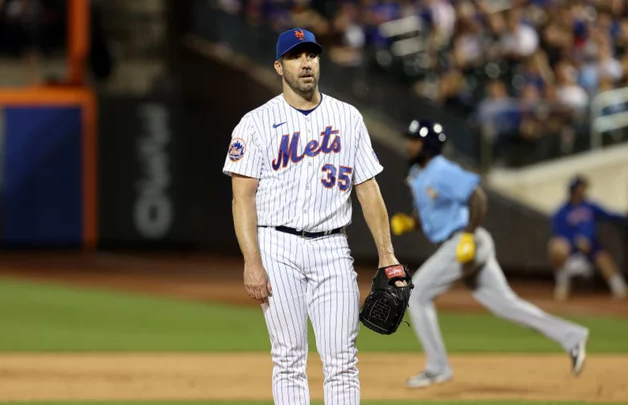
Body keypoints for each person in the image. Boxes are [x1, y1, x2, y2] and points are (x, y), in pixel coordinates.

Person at [222, 28, 405, 405]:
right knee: (289, 359)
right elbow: (242, 197)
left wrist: (387, 254)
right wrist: (252, 261)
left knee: (342, 360)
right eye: (295, 56)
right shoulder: (255, 123)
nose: (305, 63)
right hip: (277, 246)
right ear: (279, 66)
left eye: (311, 55)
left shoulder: (347, 117)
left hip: (333, 247)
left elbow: (368, 189)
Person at [390, 120, 590, 389]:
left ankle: (437, 367)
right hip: (462, 244)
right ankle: (572, 337)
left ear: (427, 146)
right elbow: (429, 210)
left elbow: (478, 198)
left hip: (465, 242)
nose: (408, 144)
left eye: (414, 139)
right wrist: (411, 223)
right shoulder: (417, 173)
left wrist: (469, 236)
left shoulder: (442, 170)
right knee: (507, 305)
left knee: (417, 294)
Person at [548, 175, 628, 301]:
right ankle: (562, 284)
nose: (583, 190)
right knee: (556, 247)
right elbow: (559, 233)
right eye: (580, 187)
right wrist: (575, 243)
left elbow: (609, 215)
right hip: (572, 249)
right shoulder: (562, 211)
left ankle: (619, 288)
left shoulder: (590, 206)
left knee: (603, 258)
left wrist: (627, 215)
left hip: (590, 245)